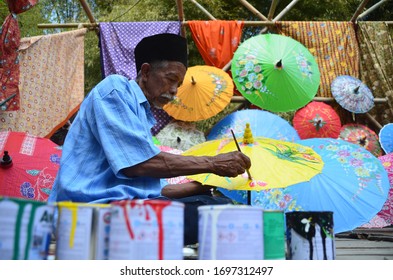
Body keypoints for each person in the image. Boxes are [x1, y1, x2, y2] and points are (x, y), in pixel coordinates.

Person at [48, 33, 251, 245]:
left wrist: (206, 182)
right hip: (91, 212)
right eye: (171, 79)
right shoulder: (115, 90)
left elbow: (157, 189)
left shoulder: (143, 115)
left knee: (219, 204)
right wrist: (213, 164)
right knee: (222, 215)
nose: (174, 91)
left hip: (124, 207)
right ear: (146, 72)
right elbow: (138, 165)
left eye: (178, 85)